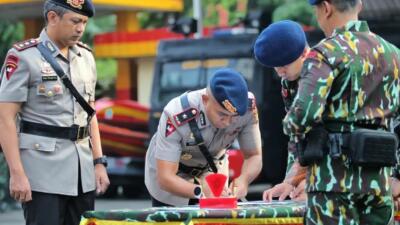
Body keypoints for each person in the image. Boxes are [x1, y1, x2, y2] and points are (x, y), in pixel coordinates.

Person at [282, 0, 400, 224]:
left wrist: (290, 124)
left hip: (333, 183)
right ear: (360, 5)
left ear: (326, 8)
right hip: (379, 181)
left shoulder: (325, 54)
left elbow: (301, 117)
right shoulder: (393, 55)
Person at [0, 0, 110, 224]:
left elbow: (90, 115)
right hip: (42, 173)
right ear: (52, 18)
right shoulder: (23, 57)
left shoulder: (86, 57)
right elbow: (5, 118)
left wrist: (99, 162)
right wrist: (17, 173)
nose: (81, 28)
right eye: (75, 21)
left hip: (83, 172)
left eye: (85, 22)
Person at [145, 68, 262, 206]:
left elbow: (254, 156)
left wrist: (243, 181)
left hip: (213, 170)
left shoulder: (248, 108)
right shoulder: (176, 113)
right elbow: (166, 178)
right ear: (205, 100)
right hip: (174, 176)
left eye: (234, 117)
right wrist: (200, 191)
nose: (227, 123)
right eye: (222, 115)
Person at [253, 20, 310, 202]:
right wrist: (290, 182)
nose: (279, 72)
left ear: (303, 53)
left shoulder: (326, 76)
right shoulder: (289, 83)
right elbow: (297, 139)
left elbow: (331, 136)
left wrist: (312, 181)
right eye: (275, 67)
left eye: (283, 65)